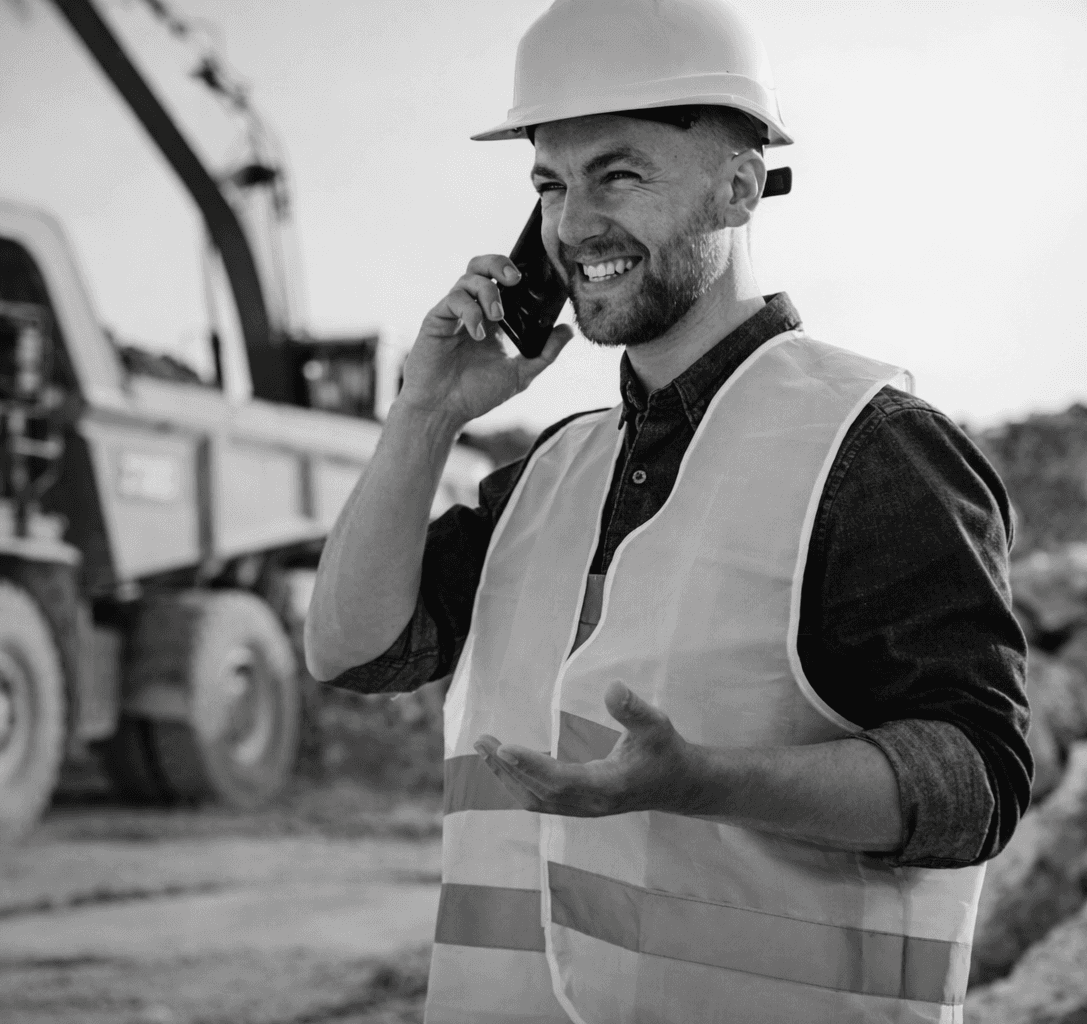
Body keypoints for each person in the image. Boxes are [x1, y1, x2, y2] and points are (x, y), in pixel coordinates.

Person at [303, 1, 1031, 1021]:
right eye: (550, 185)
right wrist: (424, 414)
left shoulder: (873, 449)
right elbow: (354, 652)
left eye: (619, 174)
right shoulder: (556, 473)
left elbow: (978, 784)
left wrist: (702, 782)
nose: (571, 227)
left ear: (740, 186)